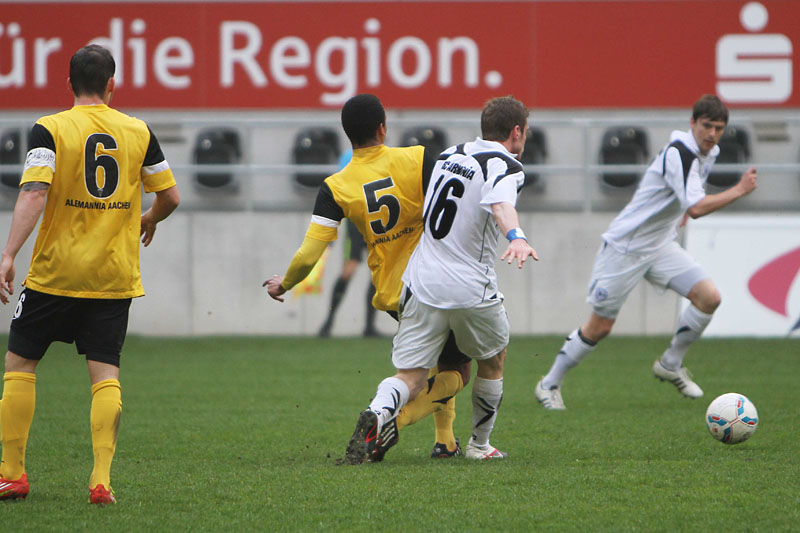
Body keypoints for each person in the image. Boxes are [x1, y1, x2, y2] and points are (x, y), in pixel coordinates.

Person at [0, 44, 180, 504]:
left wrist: (8, 254)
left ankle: (13, 474)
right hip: (112, 277)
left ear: (69, 84)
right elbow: (170, 196)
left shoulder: (50, 128)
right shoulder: (138, 131)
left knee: (20, 365)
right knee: (105, 374)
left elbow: (34, 193)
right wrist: (149, 218)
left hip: (55, 272)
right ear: (111, 84)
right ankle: (101, 481)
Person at [265, 93, 471, 460]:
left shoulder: (336, 186)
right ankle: (396, 421)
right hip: (435, 281)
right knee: (459, 371)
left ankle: (446, 443)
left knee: (432, 362)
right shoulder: (418, 158)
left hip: (395, 295)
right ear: (383, 128)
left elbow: (310, 252)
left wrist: (285, 283)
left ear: (348, 135)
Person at [344, 95, 538, 463]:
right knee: (493, 360)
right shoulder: (506, 165)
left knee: (411, 376)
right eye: (526, 132)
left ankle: (378, 413)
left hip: (420, 282)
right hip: (469, 286)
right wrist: (517, 237)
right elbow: (501, 204)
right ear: (516, 131)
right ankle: (479, 445)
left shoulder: (450, 154)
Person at [535, 94, 757, 410]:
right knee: (600, 326)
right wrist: (739, 190)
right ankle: (548, 384)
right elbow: (695, 208)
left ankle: (670, 363)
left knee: (709, 297)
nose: (712, 134)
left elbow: (681, 199)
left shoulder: (708, 152)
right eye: (707, 126)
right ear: (692, 123)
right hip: (626, 247)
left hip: (660, 244)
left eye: (718, 128)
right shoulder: (681, 153)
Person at [317, 149, 381, 338]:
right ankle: (329, 322)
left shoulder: (379, 156)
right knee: (349, 270)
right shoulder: (349, 157)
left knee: (377, 273)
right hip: (356, 221)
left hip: (374, 220)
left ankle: (369, 326)